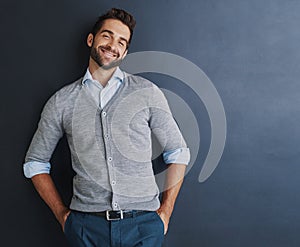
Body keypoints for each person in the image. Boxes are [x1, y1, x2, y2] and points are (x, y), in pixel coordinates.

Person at [23, 8, 190, 247]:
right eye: (107, 36)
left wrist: (165, 213)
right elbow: (35, 163)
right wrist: (63, 216)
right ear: (91, 39)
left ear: (125, 51)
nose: (113, 45)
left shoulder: (146, 92)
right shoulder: (62, 101)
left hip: (143, 226)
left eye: (122, 42)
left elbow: (178, 152)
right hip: (87, 228)